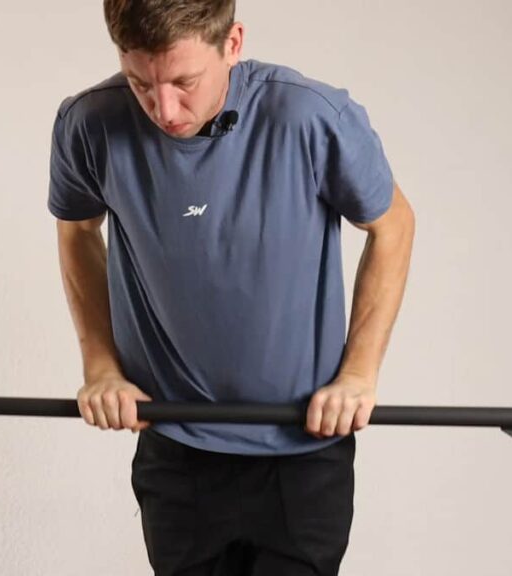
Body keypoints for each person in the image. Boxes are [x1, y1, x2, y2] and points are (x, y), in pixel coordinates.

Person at [48, 2, 415, 574]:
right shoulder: (89, 123)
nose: (164, 108)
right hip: (176, 450)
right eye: (140, 82)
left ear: (233, 43)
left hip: (303, 451)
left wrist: (359, 374)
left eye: (183, 81)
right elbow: (76, 230)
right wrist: (101, 366)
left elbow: (392, 223)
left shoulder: (310, 116)